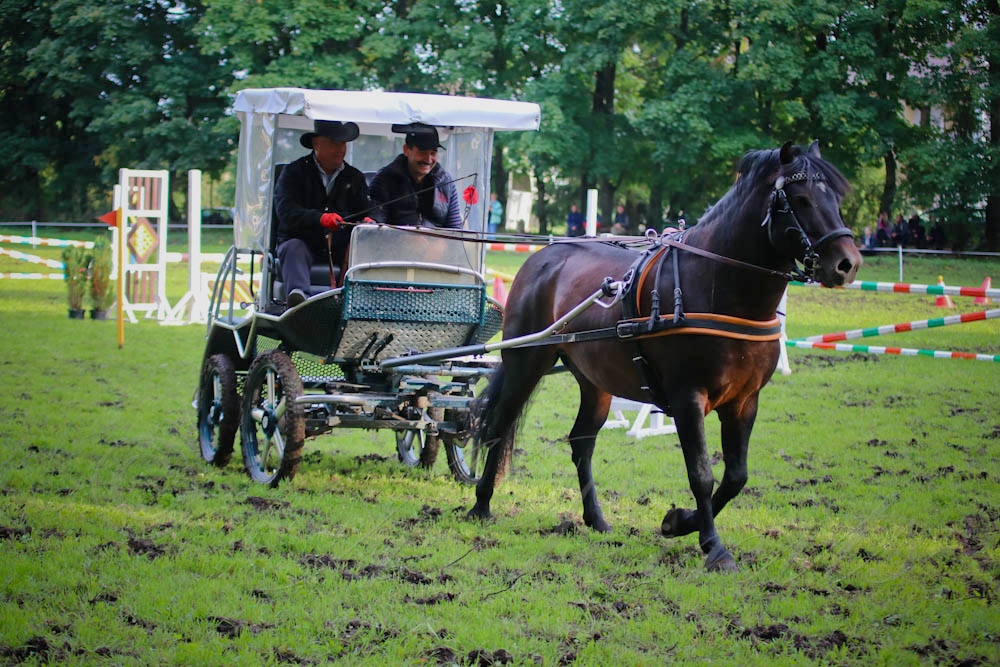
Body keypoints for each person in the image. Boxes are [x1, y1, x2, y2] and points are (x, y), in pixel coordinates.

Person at [273, 119, 371, 307]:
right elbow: (285, 211)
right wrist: (320, 218)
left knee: (363, 249)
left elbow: (367, 209)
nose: (340, 149)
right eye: (334, 143)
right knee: (293, 248)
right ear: (316, 144)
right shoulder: (293, 172)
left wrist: (369, 220)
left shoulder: (355, 177)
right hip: (302, 241)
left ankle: (359, 304)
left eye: (343, 143)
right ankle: (300, 304)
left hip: (340, 247)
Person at [368, 123, 463, 229]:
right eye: (423, 152)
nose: (428, 160)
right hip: (396, 239)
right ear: (406, 150)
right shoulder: (384, 180)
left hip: (437, 239)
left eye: (433, 153)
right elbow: (375, 224)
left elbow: (455, 228)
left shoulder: (446, 182)